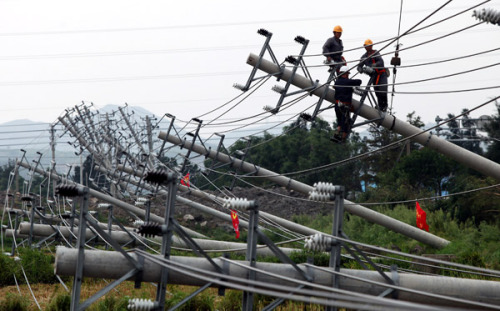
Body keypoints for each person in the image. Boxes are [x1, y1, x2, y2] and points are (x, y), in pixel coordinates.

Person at [332, 66, 362, 142]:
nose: (348, 75)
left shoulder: (337, 82)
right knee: (346, 123)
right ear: (345, 74)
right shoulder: (348, 82)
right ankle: (343, 139)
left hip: (337, 105)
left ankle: (336, 134)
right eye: (348, 74)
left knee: (339, 121)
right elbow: (359, 81)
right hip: (345, 106)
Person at [357, 39, 388, 112]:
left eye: (369, 46)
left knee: (383, 90)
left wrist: (372, 66)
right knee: (377, 92)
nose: (368, 47)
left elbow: (381, 62)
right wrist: (360, 69)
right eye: (367, 46)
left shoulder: (376, 53)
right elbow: (359, 66)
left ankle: (384, 105)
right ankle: (380, 106)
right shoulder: (364, 56)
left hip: (381, 74)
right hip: (374, 76)